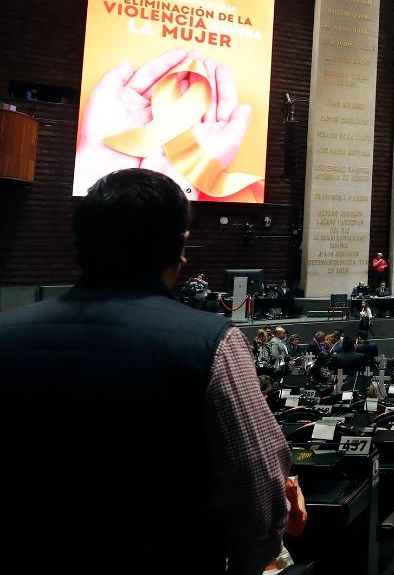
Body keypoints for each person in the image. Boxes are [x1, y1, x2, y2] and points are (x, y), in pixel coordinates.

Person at [0, 168, 291, 573]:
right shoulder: (215, 344)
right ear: (179, 248)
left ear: (81, 244)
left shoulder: (5, 335)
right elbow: (258, 488)